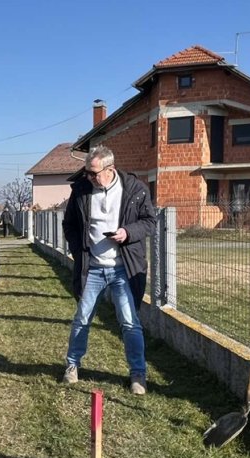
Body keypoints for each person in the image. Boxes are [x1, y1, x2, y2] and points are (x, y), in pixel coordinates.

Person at [62, 145, 156, 394]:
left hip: (124, 267)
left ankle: (138, 374)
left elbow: (149, 222)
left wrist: (128, 233)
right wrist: (77, 248)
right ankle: (72, 365)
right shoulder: (81, 191)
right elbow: (69, 224)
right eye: (87, 173)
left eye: (93, 173)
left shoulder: (135, 190)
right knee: (82, 318)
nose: (89, 178)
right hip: (91, 268)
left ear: (110, 169)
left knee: (129, 322)